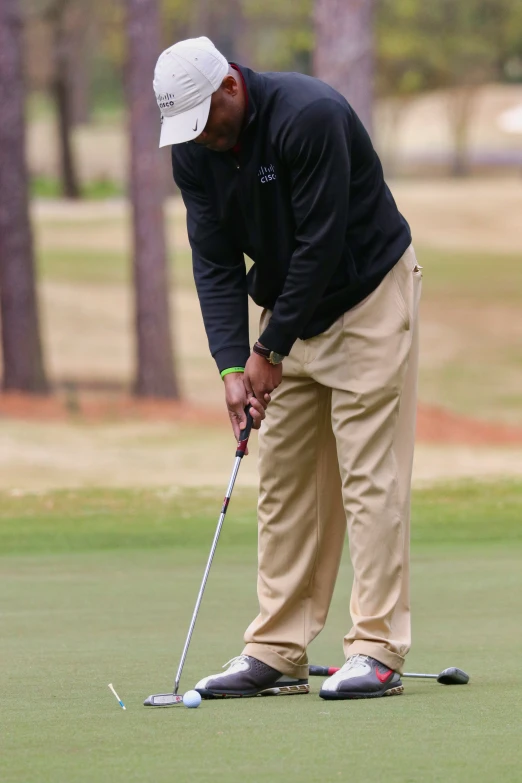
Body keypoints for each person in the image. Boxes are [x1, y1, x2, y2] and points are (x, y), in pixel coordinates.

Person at [153, 36, 422, 701]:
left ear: (230, 87)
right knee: (282, 481)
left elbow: (320, 243)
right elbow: (213, 260)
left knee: (368, 474)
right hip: (288, 308)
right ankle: (278, 648)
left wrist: (268, 351)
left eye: (207, 120)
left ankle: (377, 647)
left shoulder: (310, 115)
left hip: (366, 293)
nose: (202, 138)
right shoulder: (195, 148)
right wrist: (229, 368)